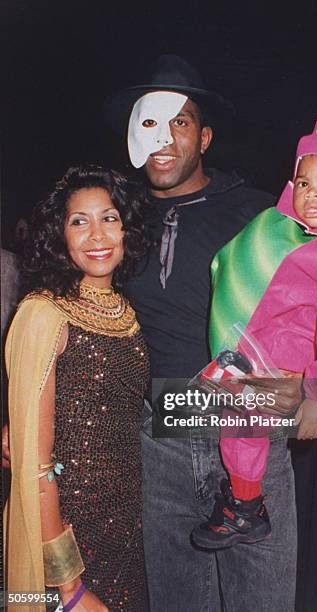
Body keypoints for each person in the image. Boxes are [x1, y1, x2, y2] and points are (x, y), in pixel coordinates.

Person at [106, 55, 301, 611]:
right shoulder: (121, 222)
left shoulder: (258, 215)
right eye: (150, 123)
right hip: (159, 438)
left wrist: (308, 384)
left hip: (248, 430)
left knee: (260, 601)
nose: (164, 138)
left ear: (206, 136)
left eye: (181, 122)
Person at [192, 100, 317, 550]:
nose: (311, 193)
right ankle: (245, 503)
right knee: (236, 425)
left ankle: (246, 508)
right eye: (303, 181)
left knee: (242, 424)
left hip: (283, 363)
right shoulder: (289, 230)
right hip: (259, 348)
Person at [4, 164, 149, 611]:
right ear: (60, 235)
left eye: (109, 218)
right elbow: (36, 464)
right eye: (79, 221)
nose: (97, 235)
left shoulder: (126, 311)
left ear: (127, 229)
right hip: (68, 533)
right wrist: (69, 586)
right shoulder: (44, 313)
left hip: (125, 524)